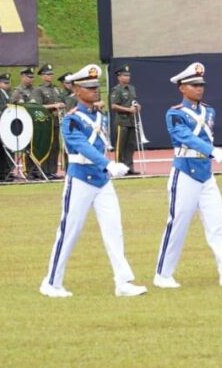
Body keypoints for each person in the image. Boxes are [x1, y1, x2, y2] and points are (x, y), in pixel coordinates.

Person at [40, 63, 147, 299]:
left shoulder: (100, 116)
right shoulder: (72, 120)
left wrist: (106, 167)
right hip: (80, 177)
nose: (94, 91)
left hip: (102, 180)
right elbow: (82, 146)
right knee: (69, 231)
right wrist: (108, 163)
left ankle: (123, 281)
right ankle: (51, 282)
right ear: (77, 90)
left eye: (96, 87)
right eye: (88, 87)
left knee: (114, 230)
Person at [153, 62, 222, 289]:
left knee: (217, 223)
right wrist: (212, 151)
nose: (199, 88)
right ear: (182, 88)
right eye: (193, 84)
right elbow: (185, 137)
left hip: (206, 173)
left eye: (201, 84)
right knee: (178, 223)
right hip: (185, 171)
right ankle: (163, 274)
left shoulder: (209, 111)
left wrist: (209, 153)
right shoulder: (175, 114)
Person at [31, 63, 66, 180]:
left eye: (51, 74)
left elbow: (62, 101)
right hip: (45, 122)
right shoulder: (38, 90)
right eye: (47, 74)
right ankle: (44, 171)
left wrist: (61, 105)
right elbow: (38, 106)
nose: (50, 76)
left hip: (56, 122)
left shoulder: (56, 89)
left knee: (55, 147)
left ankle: (52, 171)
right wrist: (54, 105)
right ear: (42, 76)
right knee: (46, 146)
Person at [109, 64, 141, 175]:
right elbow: (113, 106)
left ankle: (129, 168)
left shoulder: (132, 88)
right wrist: (128, 110)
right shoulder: (116, 90)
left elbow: (134, 101)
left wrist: (137, 106)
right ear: (119, 77)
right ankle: (119, 169)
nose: (128, 77)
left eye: (128, 75)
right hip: (121, 121)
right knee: (120, 147)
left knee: (130, 146)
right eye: (125, 75)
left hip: (131, 121)